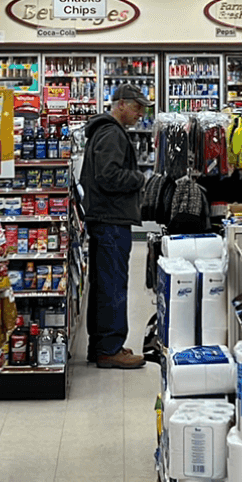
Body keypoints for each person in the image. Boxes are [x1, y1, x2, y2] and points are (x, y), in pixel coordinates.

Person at [81, 85, 150, 369]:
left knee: (103, 284)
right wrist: (139, 178)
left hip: (104, 217)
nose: (140, 114)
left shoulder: (105, 131)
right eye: (137, 107)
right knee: (112, 286)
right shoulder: (111, 133)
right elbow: (108, 176)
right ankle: (109, 349)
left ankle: (101, 345)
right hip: (111, 219)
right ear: (121, 104)